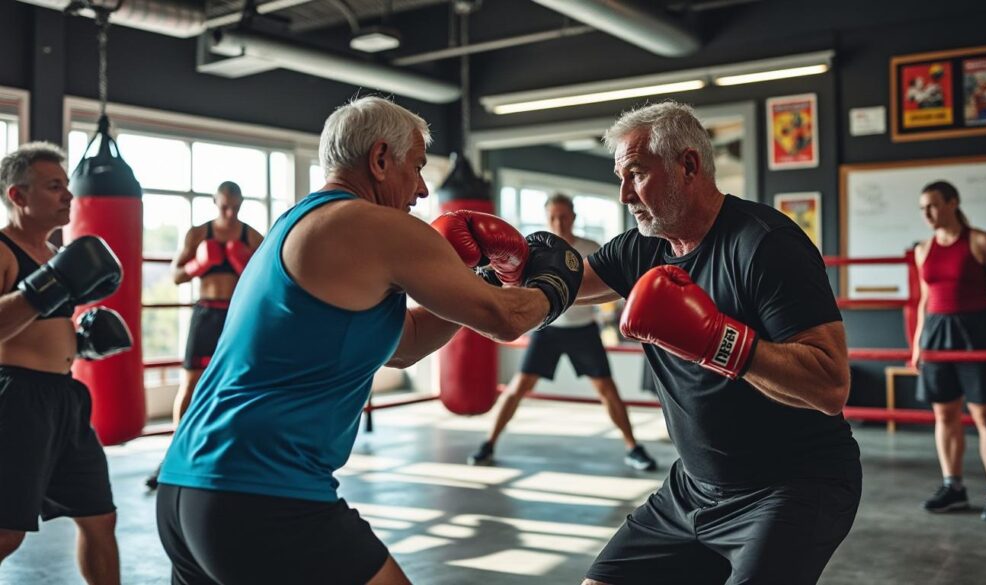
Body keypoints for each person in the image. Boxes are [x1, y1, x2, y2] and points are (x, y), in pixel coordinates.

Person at [154, 96, 583, 585]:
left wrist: (477, 278)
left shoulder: (292, 227)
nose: (422, 190)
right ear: (380, 160)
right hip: (263, 493)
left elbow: (407, 345)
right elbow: (504, 321)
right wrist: (554, 285)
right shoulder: (377, 226)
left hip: (187, 490)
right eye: (417, 167)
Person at [575, 102, 861, 585]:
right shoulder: (641, 248)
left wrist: (718, 341)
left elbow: (831, 386)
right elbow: (549, 295)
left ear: (688, 166)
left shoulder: (766, 244)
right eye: (621, 178)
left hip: (792, 487)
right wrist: (508, 266)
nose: (625, 194)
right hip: (691, 492)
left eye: (637, 174)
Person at [0, 142, 131, 584]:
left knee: (99, 517)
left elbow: (42, 326)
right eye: (54, 187)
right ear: (18, 196)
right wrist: (46, 288)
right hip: (16, 399)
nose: (68, 197)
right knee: (5, 534)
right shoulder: (2, 251)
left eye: (67, 187)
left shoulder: (57, 253)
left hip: (66, 399)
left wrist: (82, 342)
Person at [468, 193, 657, 471]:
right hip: (548, 329)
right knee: (519, 387)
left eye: (564, 216)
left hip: (583, 330)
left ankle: (633, 447)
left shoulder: (590, 247)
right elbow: (519, 288)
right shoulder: (533, 250)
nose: (559, 222)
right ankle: (488, 443)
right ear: (547, 218)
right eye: (553, 217)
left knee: (607, 389)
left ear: (574, 217)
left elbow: (607, 289)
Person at [144, 181, 264, 490]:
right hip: (206, 313)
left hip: (237, 315)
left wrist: (244, 262)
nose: (230, 211)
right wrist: (199, 263)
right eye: (225, 205)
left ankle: (236, 453)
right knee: (190, 382)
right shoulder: (199, 234)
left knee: (241, 382)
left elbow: (266, 276)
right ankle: (175, 452)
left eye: (235, 206)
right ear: (215, 202)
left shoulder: (250, 235)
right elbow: (175, 275)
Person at [911, 180, 986, 523]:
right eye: (922, 208)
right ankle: (953, 487)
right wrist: (917, 344)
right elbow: (926, 300)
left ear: (953, 203)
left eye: (932, 205)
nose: (927, 214)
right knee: (944, 415)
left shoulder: (982, 242)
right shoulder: (923, 249)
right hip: (937, 335)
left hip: (977, 332)